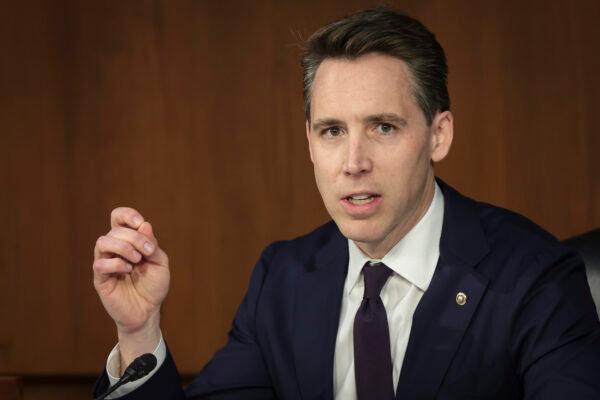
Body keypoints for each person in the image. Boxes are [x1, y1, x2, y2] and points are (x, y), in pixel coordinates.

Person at [91, 6, 600, 400]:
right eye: (333, 131)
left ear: (438, 135)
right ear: (310, 144)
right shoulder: (283, 279)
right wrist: (139, 331)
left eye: (383, 127)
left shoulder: (535, 276)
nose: (353, 162)